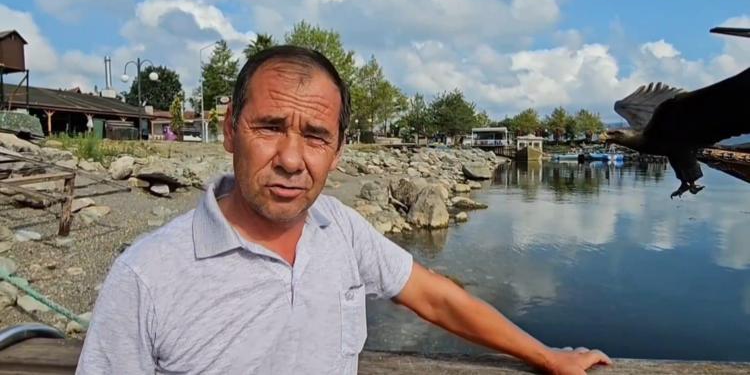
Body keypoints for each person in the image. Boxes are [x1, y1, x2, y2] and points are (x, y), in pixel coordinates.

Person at [77, 46, 611, 374]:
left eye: (315, 136)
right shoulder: (148, 276)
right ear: (230, 131)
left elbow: (437, 298)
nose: (291, 160)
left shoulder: (340, 228)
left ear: (337, 151)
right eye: (269, 128)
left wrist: (547, 356)